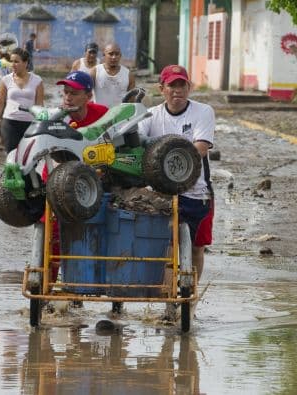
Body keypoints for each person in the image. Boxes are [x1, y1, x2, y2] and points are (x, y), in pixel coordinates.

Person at [137, 65, 215, 282]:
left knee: (197, 248)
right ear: (162, 88)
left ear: (189, 87)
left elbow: (200, 148)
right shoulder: (150, 115)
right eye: (172, 85)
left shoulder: (203, 111)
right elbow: (138, 143)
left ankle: (191, 299)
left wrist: (162, 155)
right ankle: (169, 301)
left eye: (182, 85)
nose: (177, 90)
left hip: (197, 192)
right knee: (167, 248)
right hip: (161, 193)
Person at [44, 70, 109, 283]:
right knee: (51, 235)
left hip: (94, 182)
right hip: (59, 181)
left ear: (88, 96)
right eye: (65, 92)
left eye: (74, 93)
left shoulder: (103, 114)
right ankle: (47, 288)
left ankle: (94, 284)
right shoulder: (55, 118)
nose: (68, 97)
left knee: (104, 230)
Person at [0, 47, 44, 153]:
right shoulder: (5, 80)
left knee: (31, 157)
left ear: (25, 63)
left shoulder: (37, 81)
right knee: (12, 156)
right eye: (11, 61)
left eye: (16, 62)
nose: (13, 64)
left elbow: (40, 105)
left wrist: (41, 126)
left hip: (30, 124)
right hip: (10, 122)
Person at [90, 43, 135, 108]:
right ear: (104, 55)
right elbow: (86, 94)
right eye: (111, 54)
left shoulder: (129, 75)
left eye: (117, 54)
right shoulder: (95, 72)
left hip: (120, 115)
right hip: (100, 115)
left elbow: (132, 101)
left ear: (120, 55)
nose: (114, 57)